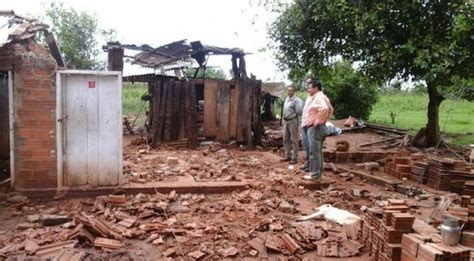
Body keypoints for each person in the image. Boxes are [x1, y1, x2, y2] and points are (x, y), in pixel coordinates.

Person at [303, 78, 333, 180]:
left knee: (314, 152)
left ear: (316, 88)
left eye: (309, 88)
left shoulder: (318, 97)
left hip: (315, 128)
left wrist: (317, 121)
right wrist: (324, 120)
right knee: (318, 152)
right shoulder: (323, 96)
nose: (308, 90)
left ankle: (315, 175)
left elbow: (324, 108)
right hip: (321, 127)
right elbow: (331, 109)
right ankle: (318, 174)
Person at [281, 85, 303, 164]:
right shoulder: (287, 99)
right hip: (286, 121)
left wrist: (293, 113)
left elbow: (300, 112)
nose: (289, 92)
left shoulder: (297, 100)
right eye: (288, 90)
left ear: (294, 91)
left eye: (291, 90)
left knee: (294, 140)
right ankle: (287, 156)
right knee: (285, 139)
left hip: (293, 121)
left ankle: (294, 158)